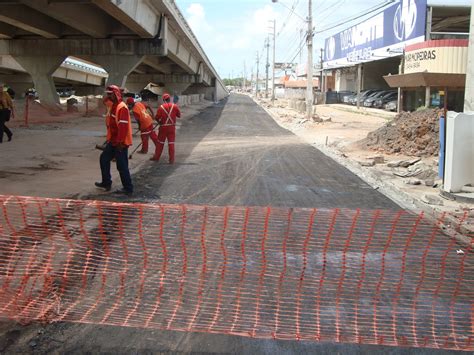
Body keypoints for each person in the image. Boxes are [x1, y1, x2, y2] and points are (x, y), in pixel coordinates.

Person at [95, 85, 134, 195]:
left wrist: (120, 143)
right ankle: (106, 182)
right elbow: (105, 101)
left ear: (116, 94)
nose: (108, 96)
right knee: (104, 159)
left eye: (110, 94)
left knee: (122, 166)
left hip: (120, 142)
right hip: (113, 141)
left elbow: (123, 127)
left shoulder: (122, 107)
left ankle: (128, 188)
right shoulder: (114, 105)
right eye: (107, 93)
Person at [152, 92, 181, 163]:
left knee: (160, 143)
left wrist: (160, 122)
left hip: (163, 128)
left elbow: (156, 117)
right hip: (171, 128)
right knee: (171, 143)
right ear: (169, 99)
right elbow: (179, 115)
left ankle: (156, 157)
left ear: (163, 100)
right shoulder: (174, 106)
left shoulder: (161, 107)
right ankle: (171, 160)